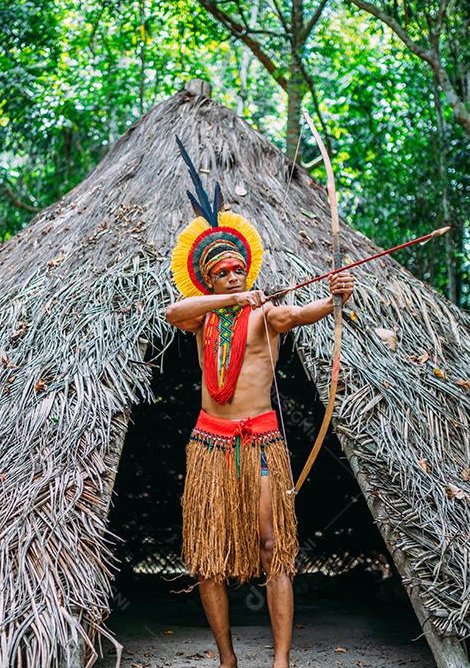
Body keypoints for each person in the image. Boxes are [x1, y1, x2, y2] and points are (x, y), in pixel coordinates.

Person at [164, 138, 355, 668]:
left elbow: (302, 313)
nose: (232, 276)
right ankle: (227, 659)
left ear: (249, 269)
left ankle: (280, 661)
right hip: (210, 443)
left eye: (237, 270)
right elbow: (173, 312)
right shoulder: (204, 317)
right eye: (222, 272)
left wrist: (335, 297)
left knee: (274, 548)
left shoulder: (267, 315)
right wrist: (226, 299)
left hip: (261, 441)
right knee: (207, 559)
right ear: (209, 278)